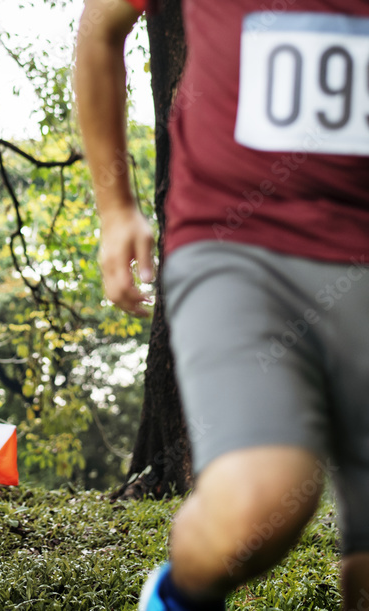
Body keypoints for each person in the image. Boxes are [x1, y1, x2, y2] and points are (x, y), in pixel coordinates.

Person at [75, 1, 369, 609]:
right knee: (257, 504)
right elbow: (102, 25)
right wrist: (114, 209)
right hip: (235, 244)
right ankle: (175, 598)